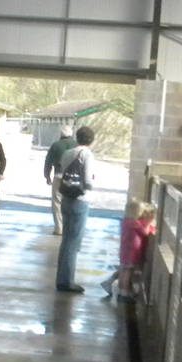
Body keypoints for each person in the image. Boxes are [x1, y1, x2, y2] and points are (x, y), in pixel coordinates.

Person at [55, 126, 97, 294]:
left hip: (66, 197)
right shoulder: (87, 154)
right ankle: (67, 281)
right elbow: (87, 180)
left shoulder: (67, 153)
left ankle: (61, 278)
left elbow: (61, 172)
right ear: (91, 140)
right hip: (80, 200)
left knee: (66, 240)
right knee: (74, 242)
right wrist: (92, 184)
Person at [100, 200, 157, 301]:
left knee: (124, 270)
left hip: (126, 251)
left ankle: (118, 287)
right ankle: (124, 291)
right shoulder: (134, 223)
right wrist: (149, 224)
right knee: (127, 271)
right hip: (131, 252)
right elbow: (145, 232)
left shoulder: (126, 221)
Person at [43, 125, 76, 232]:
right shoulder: (77, 145)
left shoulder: (56, 145)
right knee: (71, 201)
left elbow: (48, 162)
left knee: (57, 202)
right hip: (74, 178)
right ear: (71, 134)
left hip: (59, 175)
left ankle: (59, 228)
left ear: (61, 134)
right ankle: (70, 227)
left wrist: (47, 176)